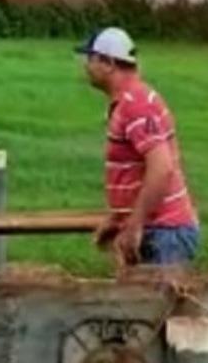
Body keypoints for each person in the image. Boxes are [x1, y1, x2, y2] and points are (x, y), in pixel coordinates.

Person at [75, 26, 200, 268]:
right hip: (159, 231)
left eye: (90, 58)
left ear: (109, 63)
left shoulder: (136, 105)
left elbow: (162, 168)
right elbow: (138, 168)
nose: (85, 66)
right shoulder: (130, 101)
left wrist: (135, 224)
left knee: (157, 305)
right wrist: (119, 217)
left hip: (164, 235)